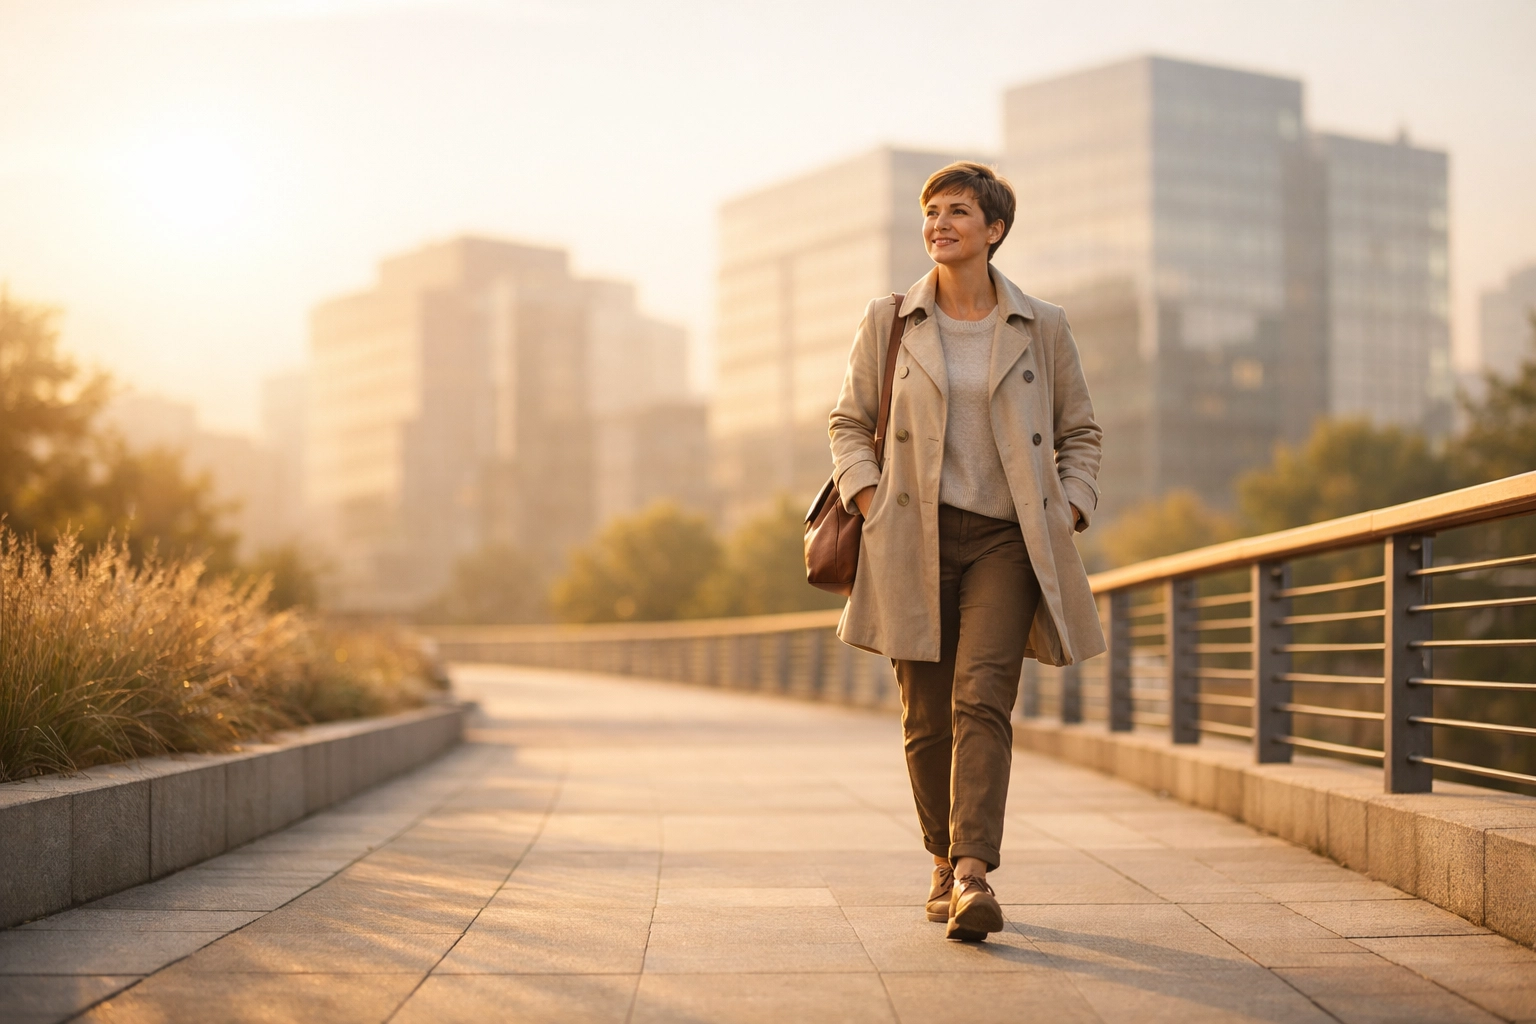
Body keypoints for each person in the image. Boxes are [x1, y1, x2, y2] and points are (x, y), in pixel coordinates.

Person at [828, 161, 1105, 941]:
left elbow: (1081, 429)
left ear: (995, 230)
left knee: (982, 696)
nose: (940, 224)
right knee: (924, 716)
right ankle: (942, 862)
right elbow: (848, 422)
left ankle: (975, 871)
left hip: (1007, 540)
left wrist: (1070, 507)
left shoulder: (1041, 326)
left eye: (958, 212)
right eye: (932, 212)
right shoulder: (890, 320)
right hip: (910, 535)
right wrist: (869, 499)